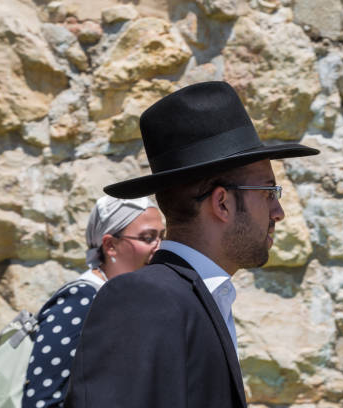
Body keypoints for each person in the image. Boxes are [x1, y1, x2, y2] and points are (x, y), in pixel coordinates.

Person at [65, 81, 319, 408]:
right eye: (269, 192)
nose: (278, 212)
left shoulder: (197, 298)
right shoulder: (142, 299)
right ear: (222, 203)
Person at [22, 196, 165, 408]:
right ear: (110, 245)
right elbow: (42, 398)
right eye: (147, 238)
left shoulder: (129, 300)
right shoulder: (81, 300)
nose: (160, 247)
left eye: (163, 237)